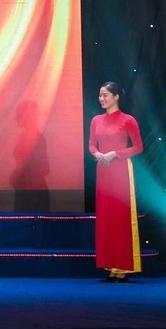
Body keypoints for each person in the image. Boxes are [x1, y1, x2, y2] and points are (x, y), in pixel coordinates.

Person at [89, 81, 144, 282]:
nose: (101, 98)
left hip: (121, 171)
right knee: (106, 218)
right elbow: (91, 145)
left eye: (105, 95)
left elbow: (138, 147)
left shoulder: (128, 120)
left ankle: (123, 267)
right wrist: (97, 154)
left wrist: (114, 154)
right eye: (100, 95)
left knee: (121, 217)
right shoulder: (96, 120)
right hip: (103, 170)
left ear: (116, 97)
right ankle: (111, 266)